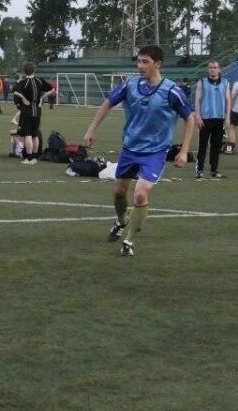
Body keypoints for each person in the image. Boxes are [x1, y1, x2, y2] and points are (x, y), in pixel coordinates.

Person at [82, 45, 195, 257]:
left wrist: (184, 150)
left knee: (141, 193)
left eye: (145, 62)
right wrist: (91, 129)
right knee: (119, 192)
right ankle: (121, 221)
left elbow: (190, 118)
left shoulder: (172, 91)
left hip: (155, 152)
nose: (140, 66)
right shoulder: (131, 85)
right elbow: (107, 103)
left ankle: (129, 241)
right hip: (130, 148)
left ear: (158, 64)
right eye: (139, 61)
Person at [193, 59, 231, 179]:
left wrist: (228, 117)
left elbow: (228, 100)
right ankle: (199, 170)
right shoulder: (202, 82)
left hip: (219, 119)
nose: (212, 70)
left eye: (215, 67)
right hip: (205, 119)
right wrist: (198, 116)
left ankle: (214, 170)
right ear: (207, 69)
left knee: (216, 146)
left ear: (219, 69)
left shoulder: (225, 82)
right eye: (210, 67)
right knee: (202, 146)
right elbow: (197, 100)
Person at [13, 62, 52, 165]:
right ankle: (34, 158)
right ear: (34, 70)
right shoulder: (40, 81)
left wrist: (23, 98)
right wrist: (41, 99)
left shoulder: (23, 82)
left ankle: (29, 158)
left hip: (27, 111)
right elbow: (52, 89)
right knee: (35, 135)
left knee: (28, 135)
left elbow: (15, 91)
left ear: (24, 71)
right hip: (37, 111)